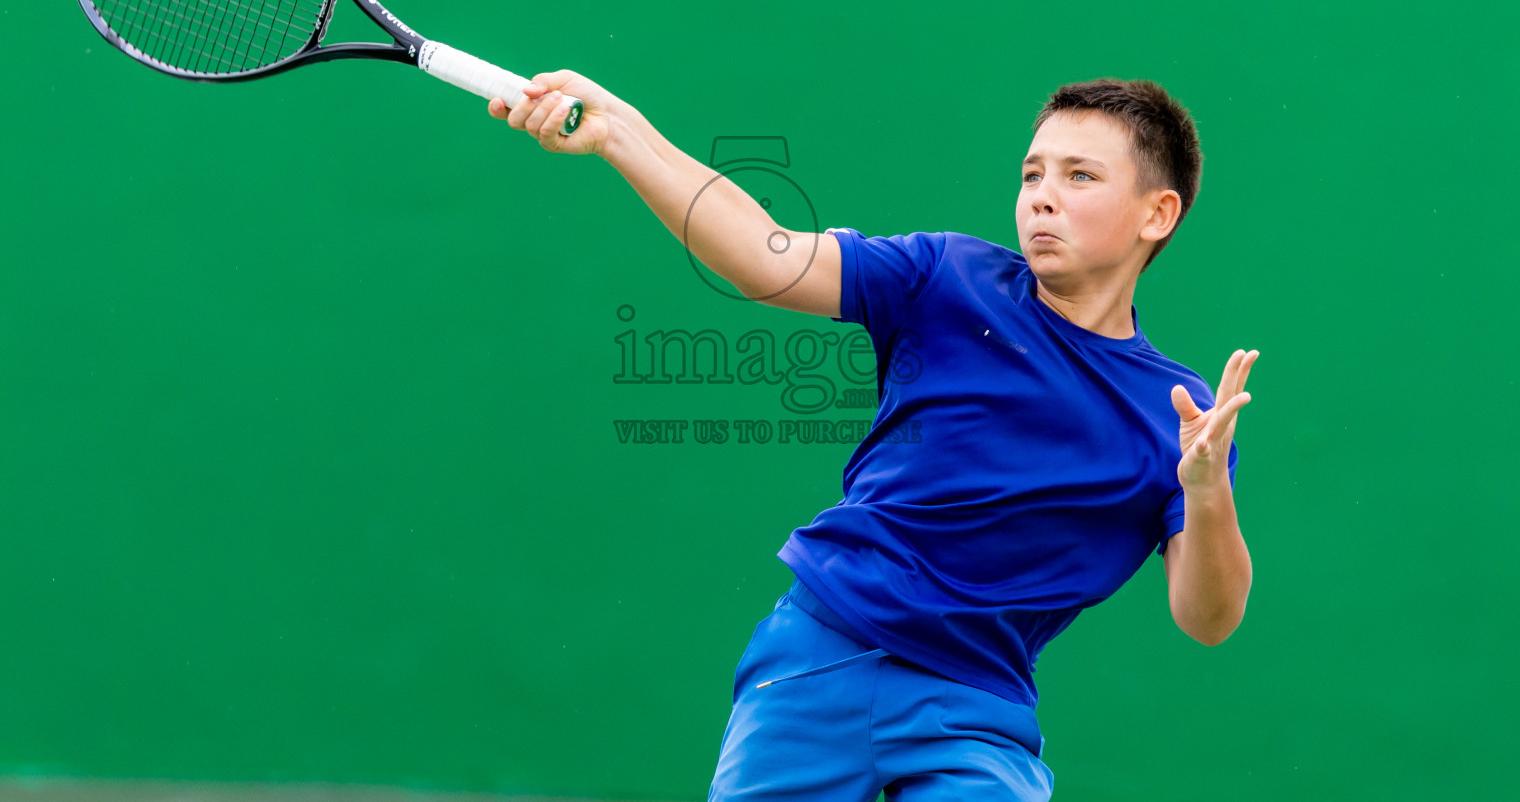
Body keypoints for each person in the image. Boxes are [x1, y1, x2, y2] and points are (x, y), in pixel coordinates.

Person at [488, 73, 1257, 801]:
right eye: (1031, 175)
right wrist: (619, 131)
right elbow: (764, 255)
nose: (1042, 199)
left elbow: (1209, 618)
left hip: (973, 713)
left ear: (1157, 213)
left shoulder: (1182, 417)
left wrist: (1206, 487)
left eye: (1079, 177)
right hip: (820, 654)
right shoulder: (944, 274)